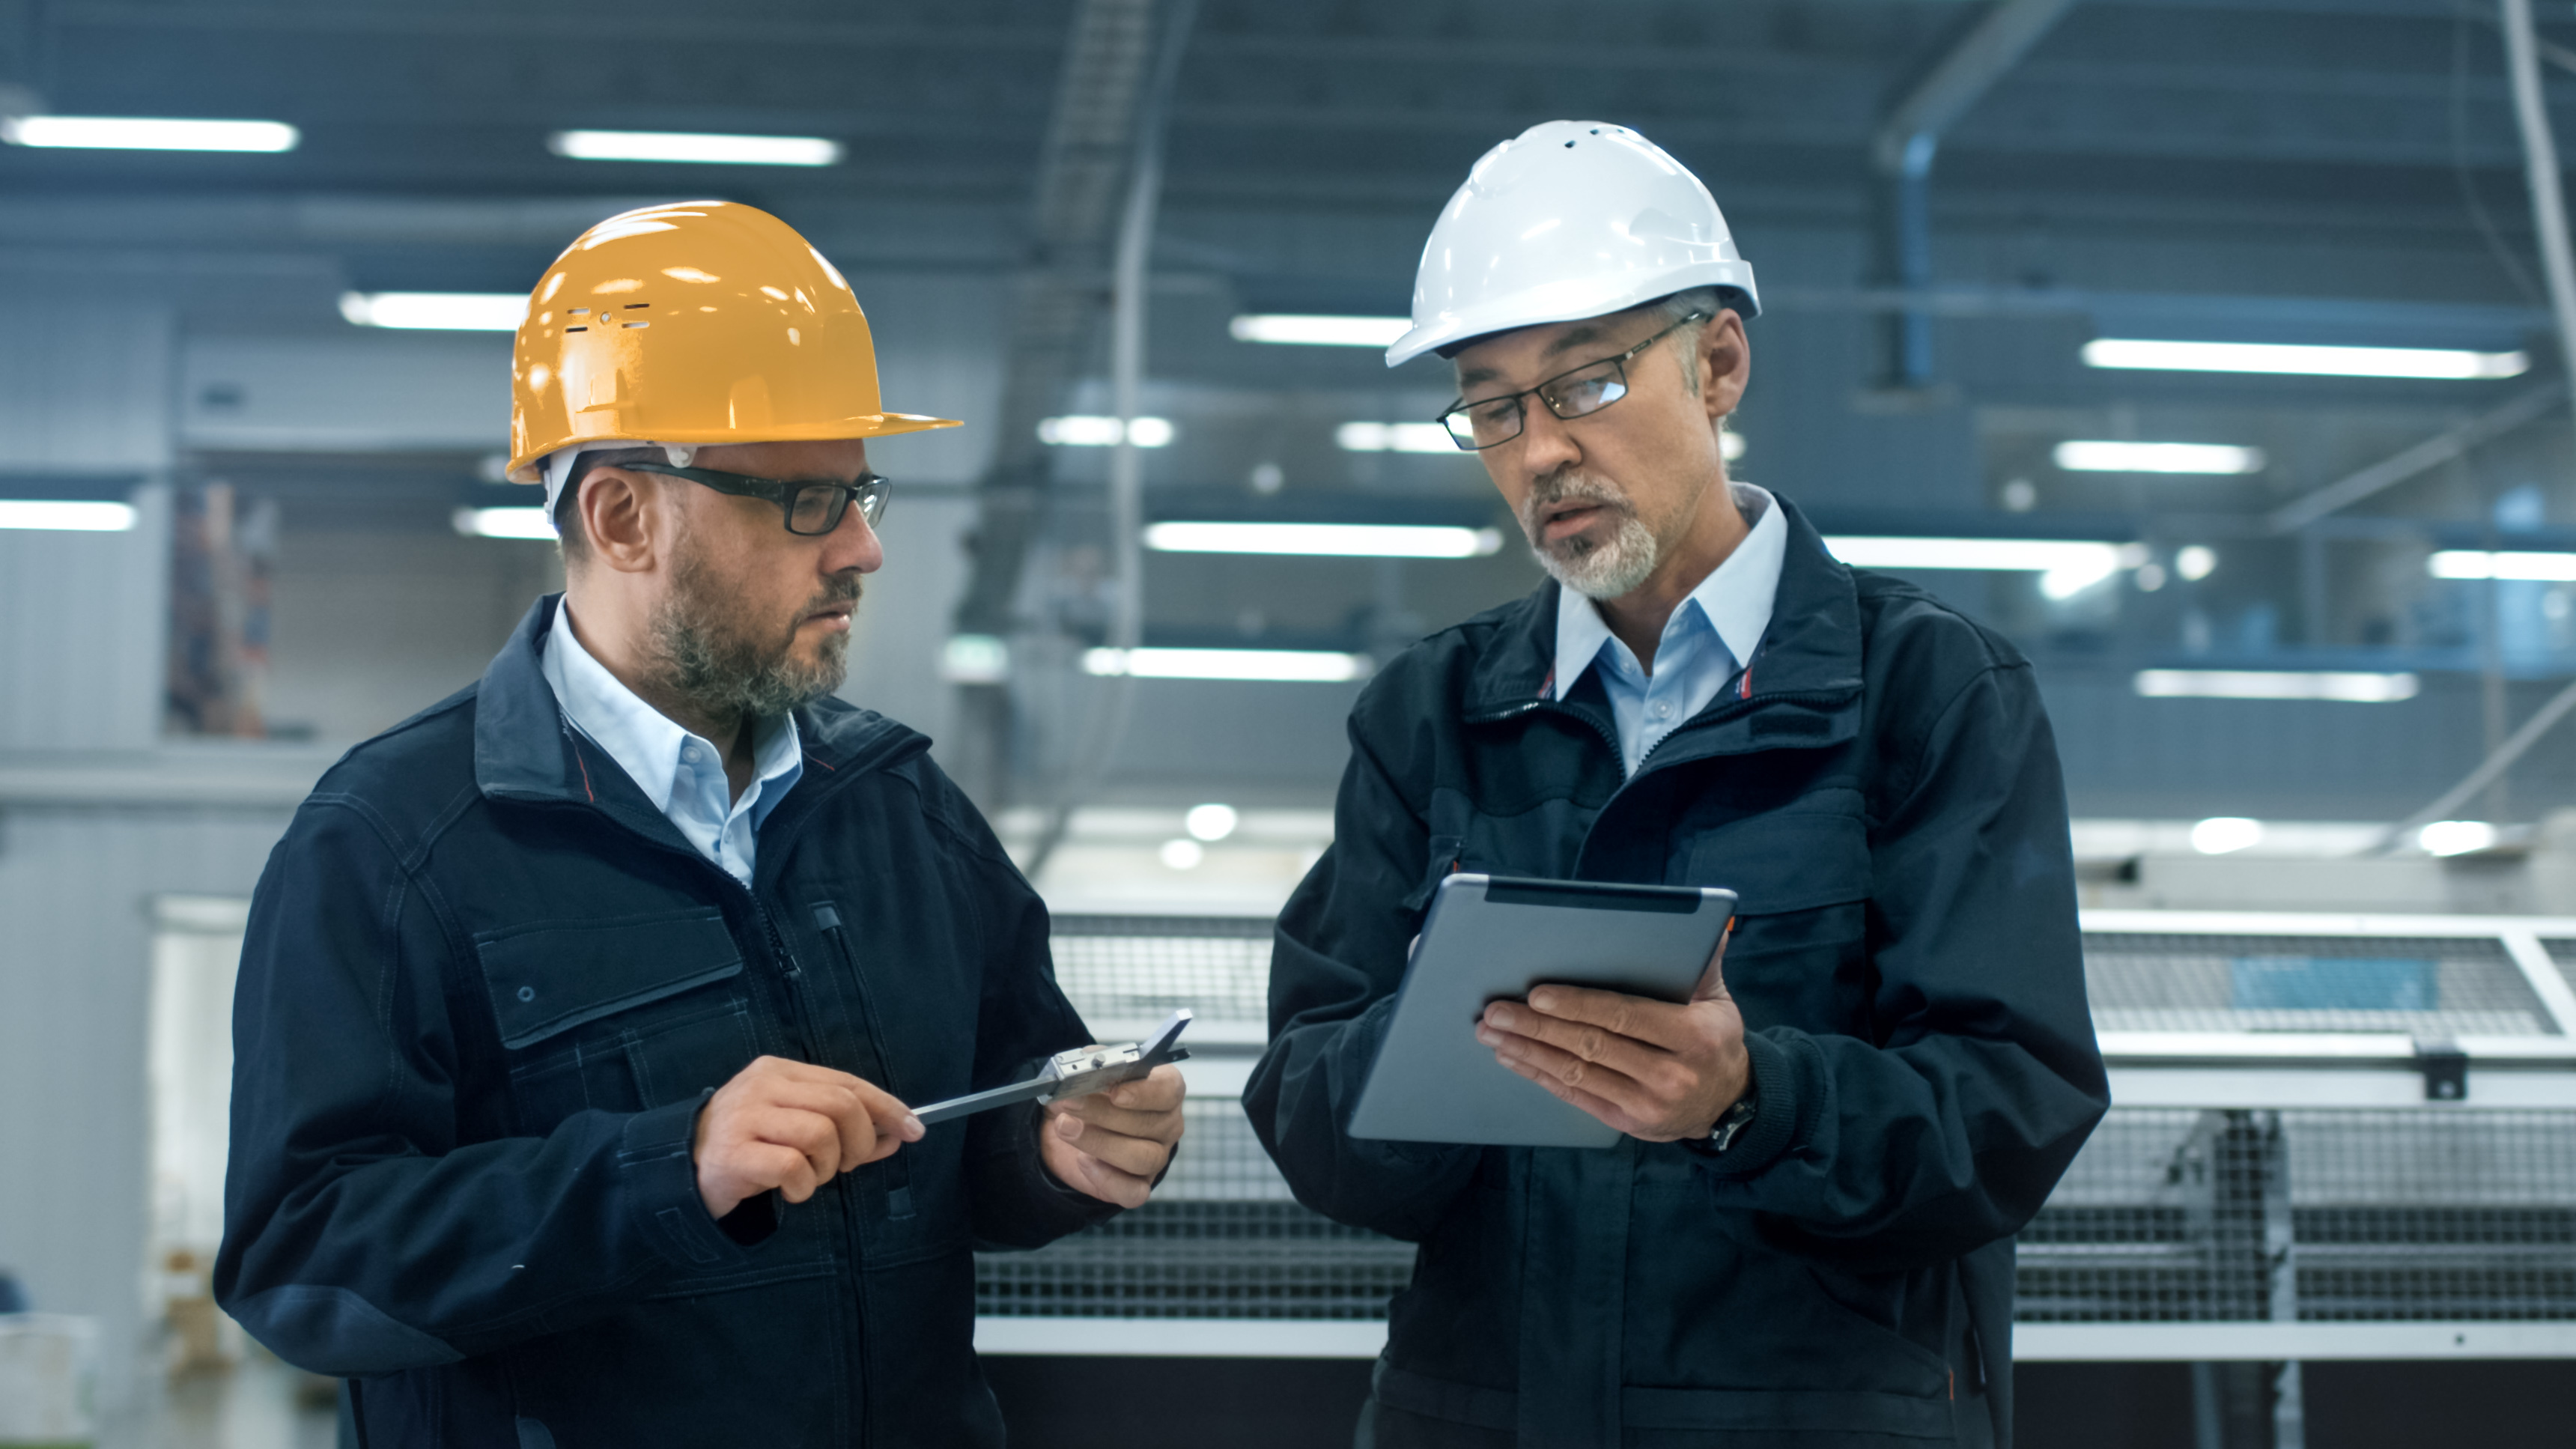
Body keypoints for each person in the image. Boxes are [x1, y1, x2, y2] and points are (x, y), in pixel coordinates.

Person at [216, 201, 1184, 1446]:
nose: (865, 548)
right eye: (808, 502)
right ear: (624, 518)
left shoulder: (901, 812)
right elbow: (304, 1264)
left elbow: (988, 1136)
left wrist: (1064, 1152)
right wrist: (667, 1169)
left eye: (862, 490)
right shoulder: (394, 848)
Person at [1242, 123, 2108, 1448]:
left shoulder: (1929, 695)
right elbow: (1307, 1105)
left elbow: (2010, 1108)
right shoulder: (1433, 717)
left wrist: (1751, 1098)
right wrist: (1432, 1059)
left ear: (1717, 363)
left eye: (1581, 383)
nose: (1535, 453)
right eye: (1492, 406)